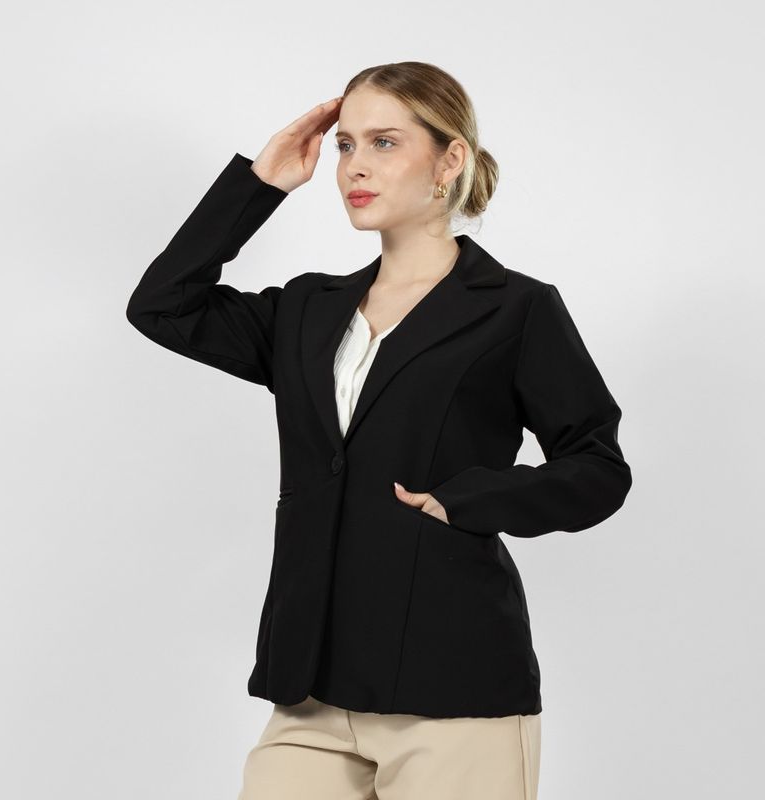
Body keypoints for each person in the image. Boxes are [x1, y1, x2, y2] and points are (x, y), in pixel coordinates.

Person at [126, 61, 632, 800]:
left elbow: (597, 466)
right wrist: (261, 184)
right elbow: (163, 305)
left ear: (450, 160)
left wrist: (466, 499)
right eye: (346, 145)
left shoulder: (515, 310)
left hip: (453, 690)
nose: (355, 166)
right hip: (310, 694)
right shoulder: (307, 310)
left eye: (384, 143)